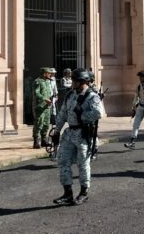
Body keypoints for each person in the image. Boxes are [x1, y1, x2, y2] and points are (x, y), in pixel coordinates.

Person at [52, 69, 102, 206]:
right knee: (62, 161)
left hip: (83, 134)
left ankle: (84, 193)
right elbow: (62, 114)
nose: (72, 82)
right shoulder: (70, 95)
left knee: (83, 164)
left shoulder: (92, 96)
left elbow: (99, 113)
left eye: (75, 80)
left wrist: (82, 116)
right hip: (69, 133)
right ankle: (67, 193)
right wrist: (56, 131)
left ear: (82, 82)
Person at [33, 67, 53, 149]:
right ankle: (36, 141)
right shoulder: (38, 81)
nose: (50, 75)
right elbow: (36, 93)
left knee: (46, 123)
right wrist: (44, 99)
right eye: (49, 73)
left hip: (47, 106)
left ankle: (44, 140)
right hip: (40, 106)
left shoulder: (48, 81)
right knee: (39, 123)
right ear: (44, 73)